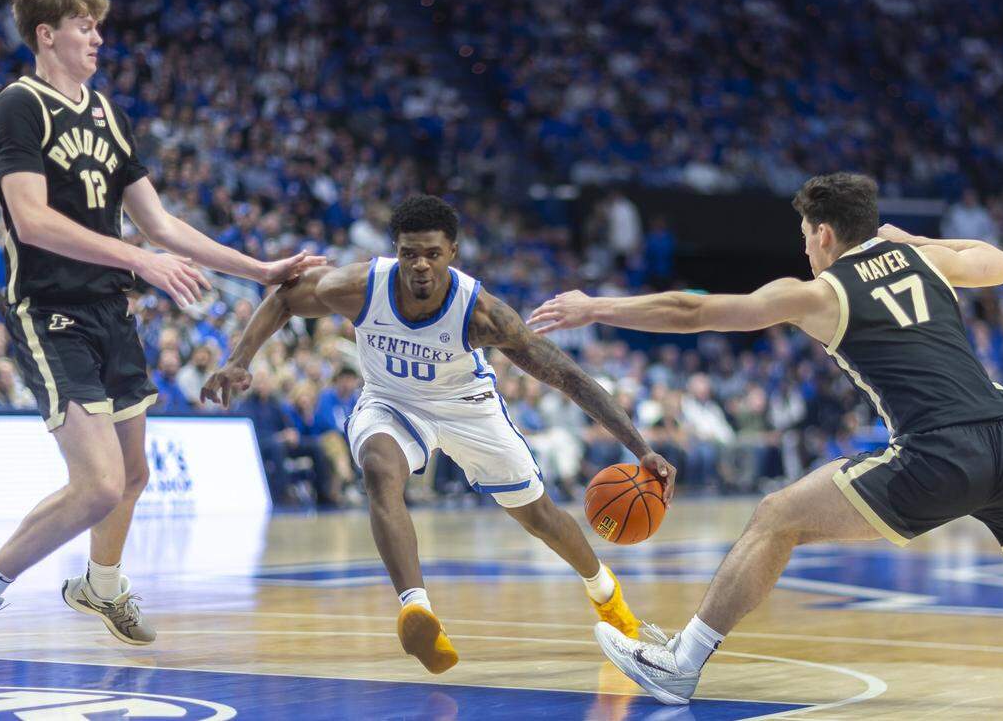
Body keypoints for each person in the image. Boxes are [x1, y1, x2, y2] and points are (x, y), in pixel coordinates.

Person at [0, 0, 325, 678]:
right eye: (85, 26)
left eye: (98, 25)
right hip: (50, 312)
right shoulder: (20, 106)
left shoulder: (106, 113)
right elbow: (30, 218)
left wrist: (260, 268)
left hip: (109, 311)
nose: (99, 38)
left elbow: (160, 222)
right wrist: (139, 261)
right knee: (99, 485)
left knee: (136, 471)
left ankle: (101, 584)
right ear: (47, 34)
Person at [529, 172, 1003, 705]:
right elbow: (1001, 264)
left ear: (823, 236)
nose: (805, 248)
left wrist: (595, 307)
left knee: (776, 517)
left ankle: (681, 663)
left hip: (940, 454)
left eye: (804, 236)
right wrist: (917, 242)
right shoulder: (927, 262)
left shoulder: (819, 293)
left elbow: (692, 311)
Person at [202, 195, 676, 675]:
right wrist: (239, 359)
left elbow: (568, 377)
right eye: (410, 253)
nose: (420, 265)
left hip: (467, 408)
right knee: (380, 470)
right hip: (391, 401)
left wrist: (640, 447)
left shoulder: (483, 314)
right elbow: (284, 296)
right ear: (396, 251)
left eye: (431, 253)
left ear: (452, 251)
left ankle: (605, 593)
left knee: (539, 516)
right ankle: (418, 610)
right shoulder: (361, 286)